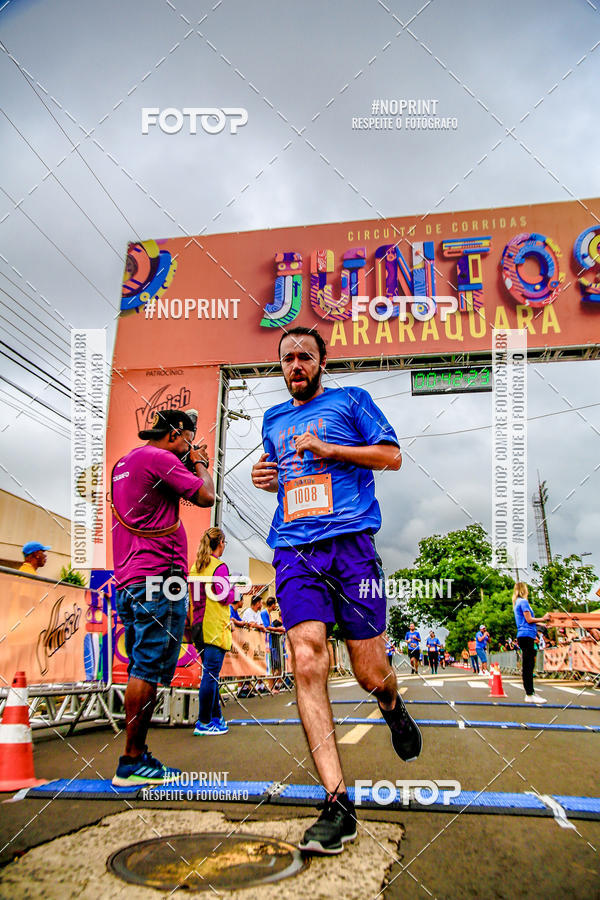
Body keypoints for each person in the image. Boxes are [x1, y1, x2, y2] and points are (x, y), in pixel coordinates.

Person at [252, 325, 421, 855]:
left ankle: (393, 705)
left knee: (370, 673)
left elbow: (392, 457)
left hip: (352, 547)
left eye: (305, 356)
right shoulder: (272, 419)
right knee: (307, 661)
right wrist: (266, 475)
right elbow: (283, 474)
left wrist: (330, 448)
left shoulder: (352, 400)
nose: (295, 364)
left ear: (322, 361)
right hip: (294, 550)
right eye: (286, 359)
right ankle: (337, 804)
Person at [111, 409, 215, 786]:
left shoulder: (124, 463)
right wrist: (200, 463)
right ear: (175, 434)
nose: (190, 446)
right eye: (188, 438)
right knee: (148, 668)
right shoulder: (160, 458)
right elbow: (205, 495)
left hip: (127, 578)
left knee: (142, 665)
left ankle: (135, 755)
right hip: (159, 577)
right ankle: (132, 759)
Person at [189, 527, 237, 735]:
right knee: (210, 675)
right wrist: (234, 589)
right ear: (220, 543)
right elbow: (224, 596)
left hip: (198, 627)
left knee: (211, 674)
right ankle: (204, 722)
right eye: (224, 543)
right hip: (215, 626)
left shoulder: (195, 566)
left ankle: (216, 718)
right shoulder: (219, 567)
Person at [513, 582, 549, 703]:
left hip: (525, 634)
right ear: (524, 590)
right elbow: (529, 620)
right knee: (528, 665)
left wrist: (542, 623)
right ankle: (529, 693)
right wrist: (543, 618)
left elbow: (527, 620)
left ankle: (531, 691)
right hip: (526, 635)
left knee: (529, 664)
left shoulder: (517, 602)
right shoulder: (523, 602)